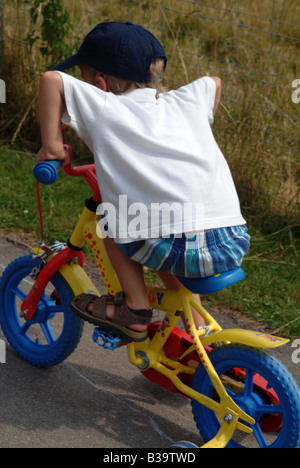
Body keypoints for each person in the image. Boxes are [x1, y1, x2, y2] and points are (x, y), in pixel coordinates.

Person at [37, 21, 250, 342]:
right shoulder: (185, 100)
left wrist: (52, 146)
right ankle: (196, 323)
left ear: (100, 83)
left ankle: (134, 308)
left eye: (85, 80)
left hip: (183, 244)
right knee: (160, 223)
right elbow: (214, 82)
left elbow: (50, 80)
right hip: (231, 239)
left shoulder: (106, 105)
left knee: (109, 220)